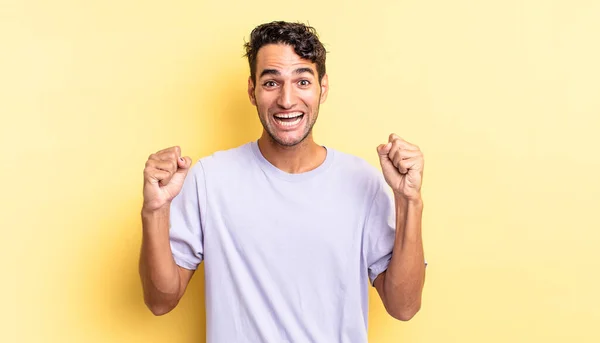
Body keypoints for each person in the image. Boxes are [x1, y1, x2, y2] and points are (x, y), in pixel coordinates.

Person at [139, 21, 426, 342]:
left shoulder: (364, 182)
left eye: (302, 81)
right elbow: (160, 300)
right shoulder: (209, 179)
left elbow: (404, 307)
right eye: (271, 83)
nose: (287, 100)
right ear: (252, 91)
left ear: (323, 88)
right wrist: (155, 211)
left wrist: (408, 201)